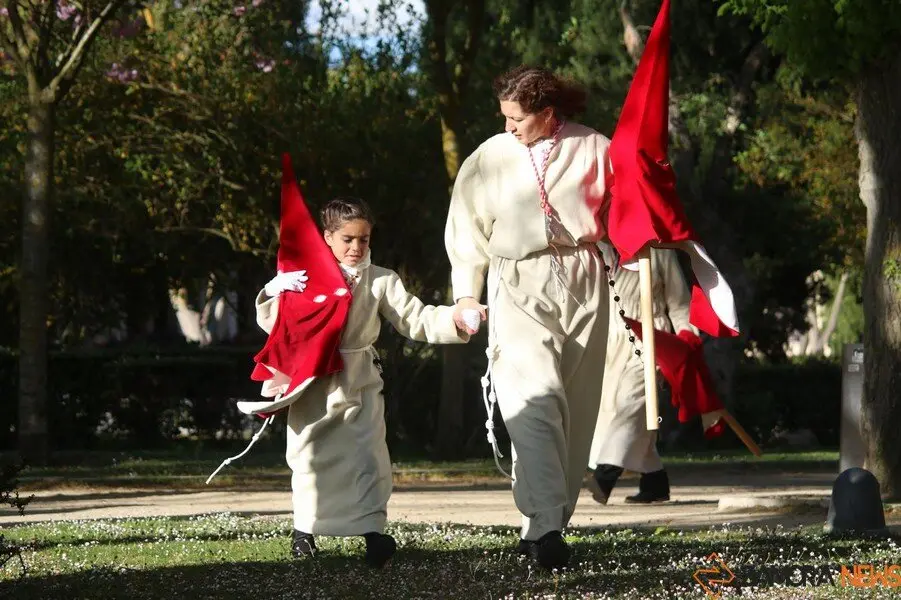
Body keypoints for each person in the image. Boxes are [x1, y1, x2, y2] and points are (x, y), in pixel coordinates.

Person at [445, 65, 611, 570]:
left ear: (547, 113)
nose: (509, 126)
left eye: (518, 118)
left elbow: (631, 208)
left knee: (574, 408)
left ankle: (544, 522)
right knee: (532, 398)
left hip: (584, 278)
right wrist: (465, 295)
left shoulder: (596, 147)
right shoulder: (490, 156)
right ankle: (545, 525)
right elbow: (465, 225)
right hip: (516, 278)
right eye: (505, 116)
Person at [256, 196, 469, 567]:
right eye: (347, 239)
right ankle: (305, 531)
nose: (356, 248)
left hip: (359, 378)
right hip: (315, 380)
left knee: (368, 456)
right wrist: (274, 292)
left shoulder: (382, 279)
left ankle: (373, 532)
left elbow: (414, 317)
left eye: (364, 239)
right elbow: (279, 328)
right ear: (327, 237)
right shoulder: (305, 277)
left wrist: (456, 320)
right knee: (309, 454)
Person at [587, 246, 696, 505]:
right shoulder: (598, 251)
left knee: (632, 403)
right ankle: (655, 481)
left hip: (651, 339)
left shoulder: (658, 252)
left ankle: (605, 475)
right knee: (614, 410)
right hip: (610, 343)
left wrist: (687, 336)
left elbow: (679, 302)